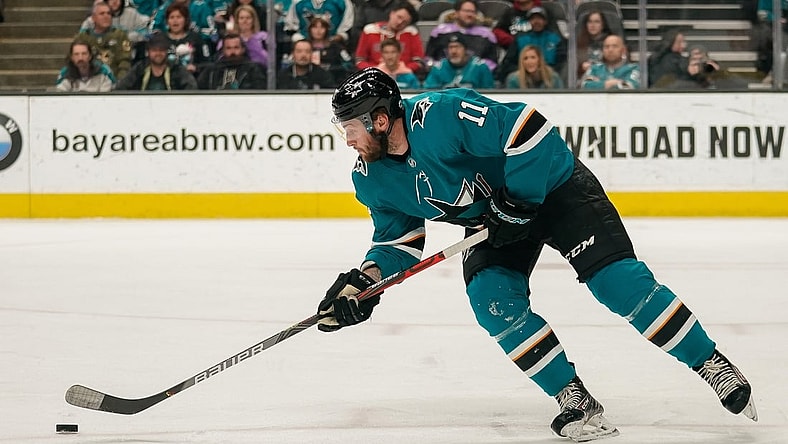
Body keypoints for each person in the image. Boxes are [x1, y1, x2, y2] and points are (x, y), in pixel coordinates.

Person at [316, 67, 758, 442]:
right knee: (492, 301)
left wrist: (520, 201)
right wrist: (366, 281)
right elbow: (398, 242)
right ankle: (574, 397)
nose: (347, 139)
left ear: (379, 120)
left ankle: (712, 364)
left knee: (618, 284)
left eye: (349, 127)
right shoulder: (370, 178)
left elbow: (529, 127)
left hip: (553, 187)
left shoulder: (440, 115)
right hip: (494, 220)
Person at [354, 1, 425, 77]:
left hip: (404, 75)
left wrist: (403, 70)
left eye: (404, 22)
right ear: (392, 13)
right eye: (399, 17)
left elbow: (418, 61)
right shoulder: (369, 31)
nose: (399, 22)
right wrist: (375, 70)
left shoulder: (411, 33)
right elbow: (359, 60)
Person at [425, 0, 499, 72]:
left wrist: (474, 70)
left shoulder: (486, 35)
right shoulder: (439, 32)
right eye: (466, 11)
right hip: (442, 74)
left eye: (473, 12)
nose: (469, 14)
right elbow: (429, 58)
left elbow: (492, 62)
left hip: (476, 76)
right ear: (456, 13)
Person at [497, 6, 565, 84]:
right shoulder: (520, 39)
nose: (536, 21)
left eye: (539, 18)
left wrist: (544, 71)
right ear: (529, 22)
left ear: (545, 21)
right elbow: (508, 63)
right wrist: (525, 70)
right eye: (533, 19)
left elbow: (562, 63)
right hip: (524, 77)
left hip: (548, 76)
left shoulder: (555, 39)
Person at [116, 32, 198, 90]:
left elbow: (192, 88)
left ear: (166, 51)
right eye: (154, 50)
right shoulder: (140, 68)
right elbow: (121, 87)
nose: (158, 53)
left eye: (161, 50)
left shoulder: (176, 68)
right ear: (148, 52)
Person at [77, 2, 133, 80]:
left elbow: (125, 61)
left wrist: (120, 82)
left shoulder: (120, 35)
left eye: (109, 13)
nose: (106, 16)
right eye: (102, 14)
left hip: (114, 81)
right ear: (93, 18)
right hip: (87, 80)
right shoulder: (83, 37)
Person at [423, 32, 494, 89]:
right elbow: (429, 92)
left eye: (457, 47)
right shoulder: (438, 68)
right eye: (451, 47)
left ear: (465, 50)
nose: (454, 51)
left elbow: (489, 92)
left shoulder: (480, 67)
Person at [161, 2, 213, 78]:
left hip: (191, 79)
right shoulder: (160, 39)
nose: (175, 20)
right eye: (171, 17)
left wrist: (195, 67)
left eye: (179, 17)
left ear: (185, 20)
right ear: (167, 21)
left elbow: (208, 63)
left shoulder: (196, 38)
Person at [197, 32, 267, 89]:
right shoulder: (211, 71)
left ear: (243, 49)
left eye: (236, 47)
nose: (232, 52)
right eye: (228, 48)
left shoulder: (254, 69)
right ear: (223, 50)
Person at [307, 16, 354, 84]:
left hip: (334, 81)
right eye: (315, 27)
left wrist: (332, 68)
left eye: (322, 27)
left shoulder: (336, 47)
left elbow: (349, 64)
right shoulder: (303, 46)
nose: (318, 30)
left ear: (327, 29)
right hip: (308, 82)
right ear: (310, 29)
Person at [575, 10, 611, 80]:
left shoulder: (610, 42)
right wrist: (581, 67)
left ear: (603, 25)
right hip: (584, 78)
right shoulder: (579, 43)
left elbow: (615, 65)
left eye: (597, 22)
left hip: (606, 78)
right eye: (590, 22)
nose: (593, 25)